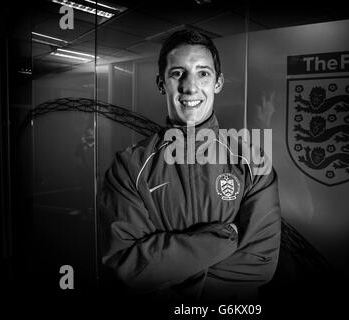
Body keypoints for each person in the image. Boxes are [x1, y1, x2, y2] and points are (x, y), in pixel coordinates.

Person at [99, 29, 281, 301]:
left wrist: (170, 273)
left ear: (218, 83)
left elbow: (259, 264)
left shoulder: (251, 162)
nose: (190, 86)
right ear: (161, 83)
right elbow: (128, 266)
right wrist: (227, 238)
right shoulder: (129, 167)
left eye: (203, 73)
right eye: (177, 73)